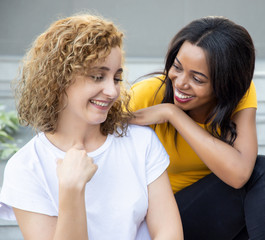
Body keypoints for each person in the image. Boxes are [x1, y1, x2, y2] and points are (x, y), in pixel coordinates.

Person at [129, 16, 265, 240]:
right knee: (264, 170)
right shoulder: (147, 93)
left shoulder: (239, 94)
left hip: (220, 214)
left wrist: (173, 114)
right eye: (177, 67)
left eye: (198, 78)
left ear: (226, 84)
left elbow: (239, 172)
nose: (181, 82)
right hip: (166, 220)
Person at [0, 14, 183, 240]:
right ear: (59, 78)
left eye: (116, 78)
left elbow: (169, 233)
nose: (112, 91)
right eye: (97, 77)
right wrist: (70, 189)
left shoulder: (141, 142)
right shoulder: (26, 167)